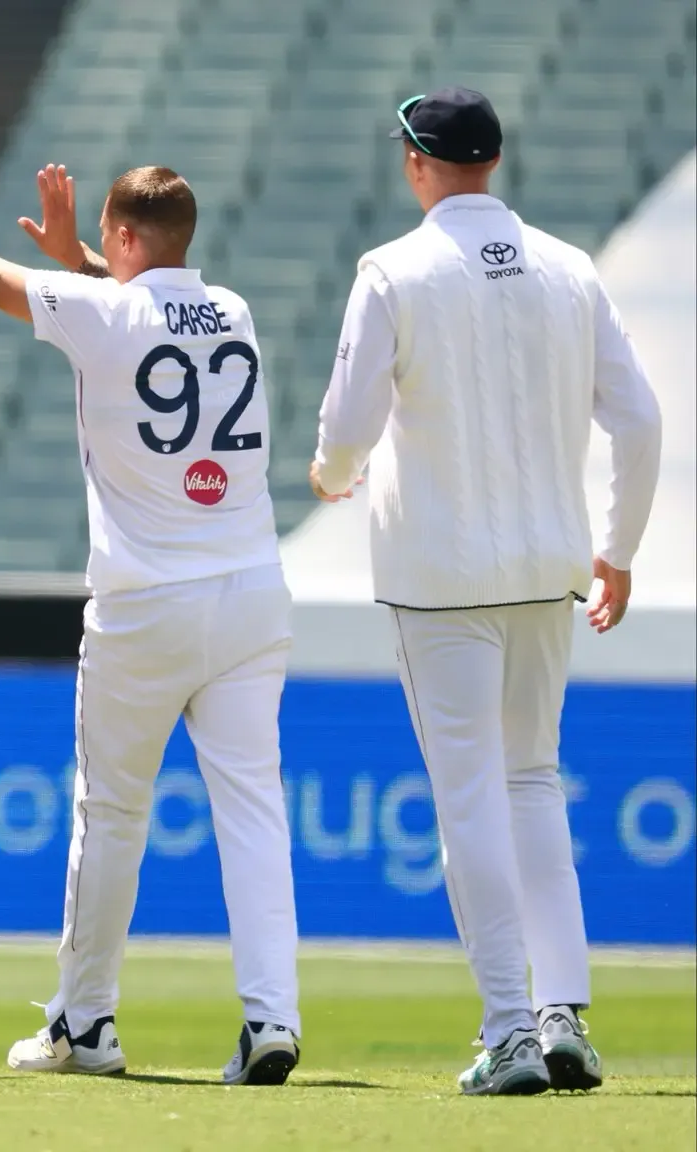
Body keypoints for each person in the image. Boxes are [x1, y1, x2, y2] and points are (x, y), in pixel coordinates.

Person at [0, 125, 302, 1085]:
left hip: (146, 602)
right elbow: (138, 310)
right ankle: (271, 1019)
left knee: (112, 814)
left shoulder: (103, 316)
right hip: (250, 593)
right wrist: (81, 259)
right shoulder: (233, 309)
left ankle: (85, 1025)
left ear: (122, 238)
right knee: (253, 810)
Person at [310, 88, 663, 1096]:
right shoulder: (566, 267)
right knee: (530, 784)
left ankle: (509, 1029)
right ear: (492, 161)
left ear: (417, 164)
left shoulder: (391, 270)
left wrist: (332, 476)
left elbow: (346, 423)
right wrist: (618, 550)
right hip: (547, 568)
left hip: (438, 577)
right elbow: (637, 424)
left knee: (471, 793)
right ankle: (560, 1017)